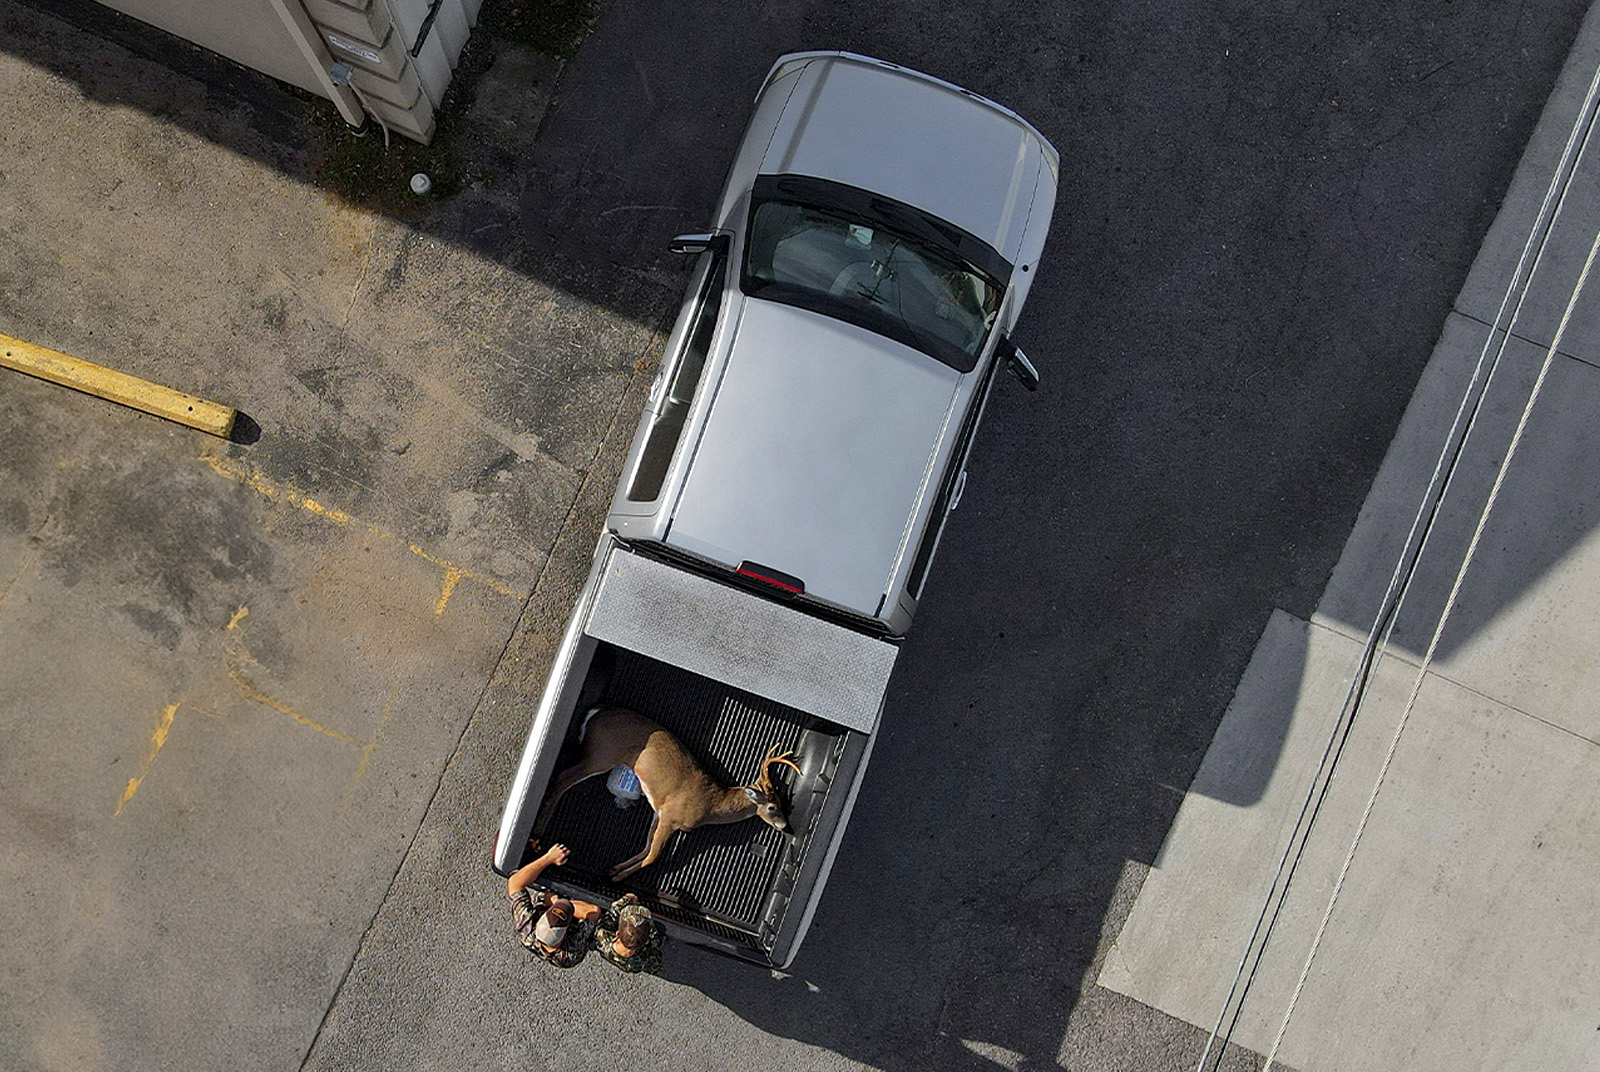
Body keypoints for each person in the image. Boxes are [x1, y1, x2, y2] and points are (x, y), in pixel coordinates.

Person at [506, 840, 601, 968]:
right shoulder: (571, 951)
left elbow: (514, 883)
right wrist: (555, 902)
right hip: (573, 915)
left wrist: (549, 858)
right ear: (562, 938)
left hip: (549, 900)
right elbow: (593, 911)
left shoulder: (527, 930)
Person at [592, 891, 666, 974]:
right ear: (646, 941)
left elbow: (611, 915)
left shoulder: (602, 937)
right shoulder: (644, 960)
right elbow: (655, 965)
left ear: (618, 934)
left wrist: (628, 899)